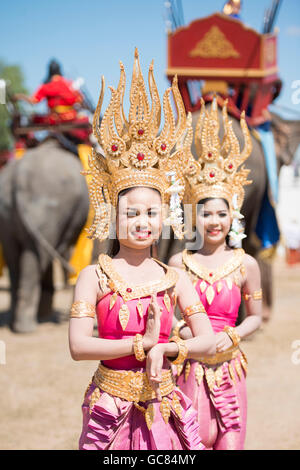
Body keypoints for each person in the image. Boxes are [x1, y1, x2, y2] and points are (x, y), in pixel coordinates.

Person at [68, 50, 216, 450]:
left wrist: (167, 347)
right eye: (131, 212)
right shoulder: (94, 276)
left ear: (165, 216)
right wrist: (140, 345)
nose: (141, 222)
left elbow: (207, 340)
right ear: (111, 214)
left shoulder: (174, 278)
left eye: (151, 212)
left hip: (164, 403)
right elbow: (79, 347)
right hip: (108, 409)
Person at [169, 99, 262, 450]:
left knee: (230, 440)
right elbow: (171, 318)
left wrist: (235, 336)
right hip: (187, 369)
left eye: (221, 215)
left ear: (231, 218)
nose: (214, 222)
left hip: (229, 369)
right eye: (206, 214)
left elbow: (254, 318)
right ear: (196, 218)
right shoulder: (179, 265)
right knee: (186, 444)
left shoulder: (245, 264)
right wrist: (181, 330)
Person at [14, 59, 90, 143]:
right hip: (71, 117)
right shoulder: (69, 84)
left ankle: (29, 142)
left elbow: (34, 101)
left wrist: (20, 96)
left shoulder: (45, 86)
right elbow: (80, 100)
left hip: (54, 119)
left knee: (32, 117)